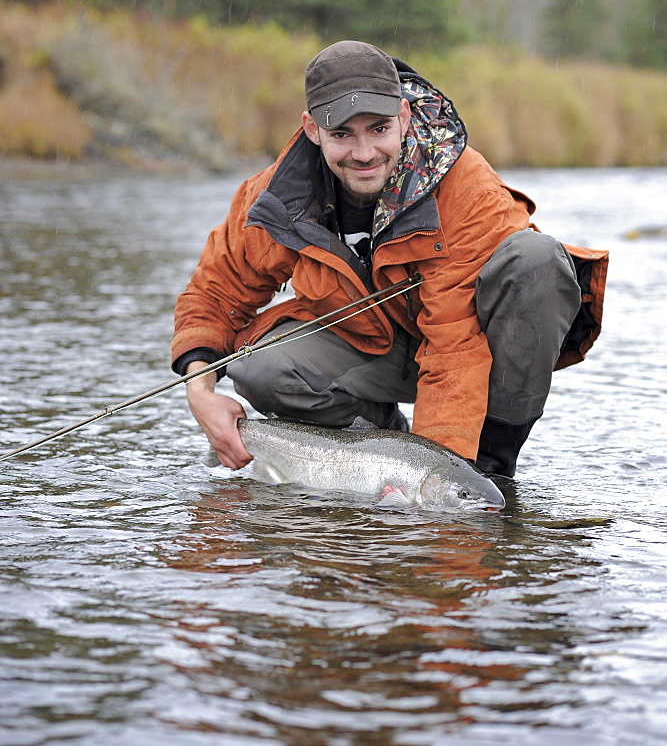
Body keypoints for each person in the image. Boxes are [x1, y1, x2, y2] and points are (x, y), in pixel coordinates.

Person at [172, 41, 607, 478]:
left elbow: (454, 346)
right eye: (342, 134)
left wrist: (441, 479)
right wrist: (200, 392)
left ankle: (493, 469)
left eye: (379, 129)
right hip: (373, 347)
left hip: (479, 345)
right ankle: (380, 445)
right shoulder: (277, 197)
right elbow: (213, 293)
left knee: (536, 260)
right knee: (259, 365)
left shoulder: (466, 188)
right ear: (311, 129)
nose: (363, 153)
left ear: (403, 117)